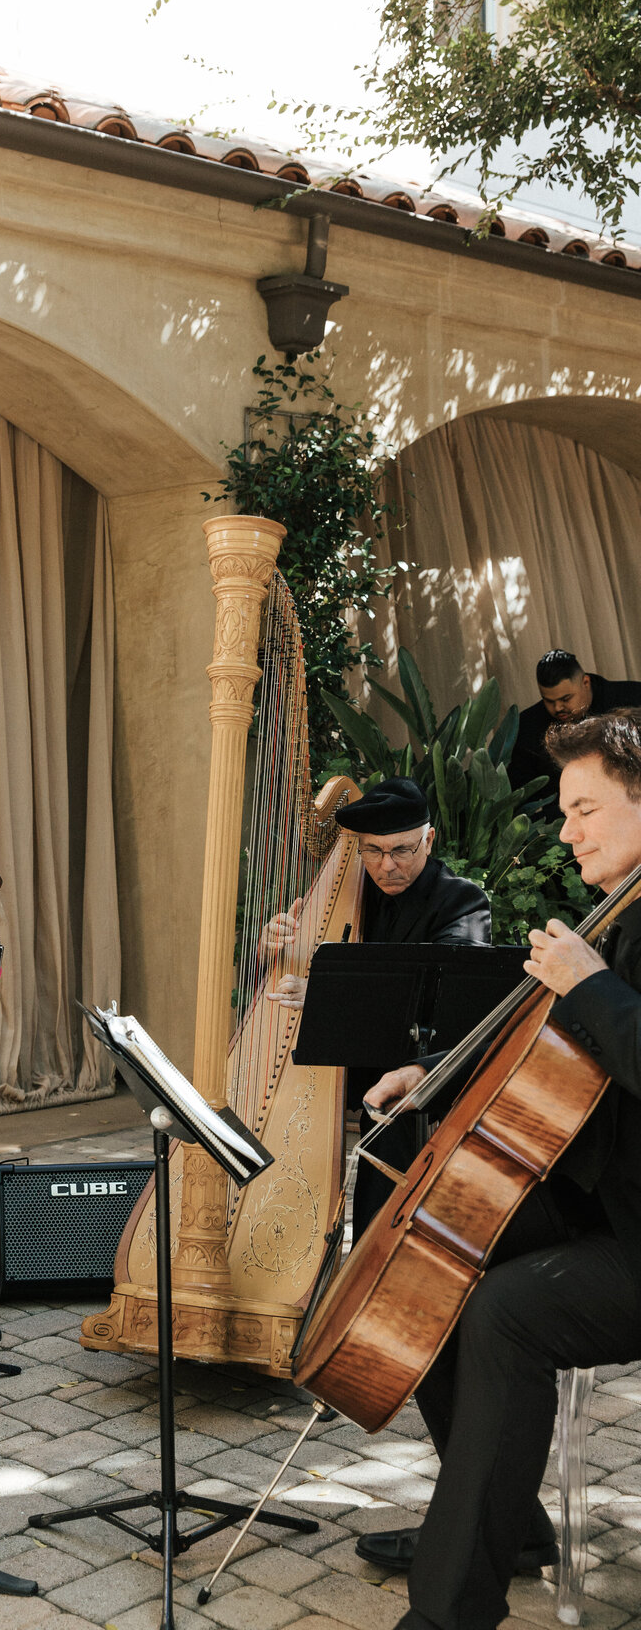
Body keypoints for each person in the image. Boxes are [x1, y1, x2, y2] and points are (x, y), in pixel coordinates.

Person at [355, 709, 641, 1628]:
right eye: (565, 812)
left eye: (587, 810)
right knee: (434, 1258)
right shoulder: (621, 909)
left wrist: (590, 982)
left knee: (505, 1312)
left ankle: (451, 1607)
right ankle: (495, 1523)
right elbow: (547, 1050)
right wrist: (434, 1075)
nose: (569, 833)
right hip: (605, 1200)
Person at [265, 777, 491, 1234]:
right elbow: (289, 978)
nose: (387, 866)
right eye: (373, 851)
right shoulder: (345, 891)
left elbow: (445, 1000)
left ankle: (376, 1244)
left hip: (410, 1067)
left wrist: (330, 994)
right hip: (344, 1059)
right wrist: (272, 948)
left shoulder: (460, 900)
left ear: (429, 840)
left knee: (394, 1120)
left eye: (402, 850)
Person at [507, 648, 641, 798]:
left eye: (566, 699)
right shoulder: (528, 726)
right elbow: (520, 793)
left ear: (585, 682)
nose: (558, 708)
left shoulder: (634, 699)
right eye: (549, 701)